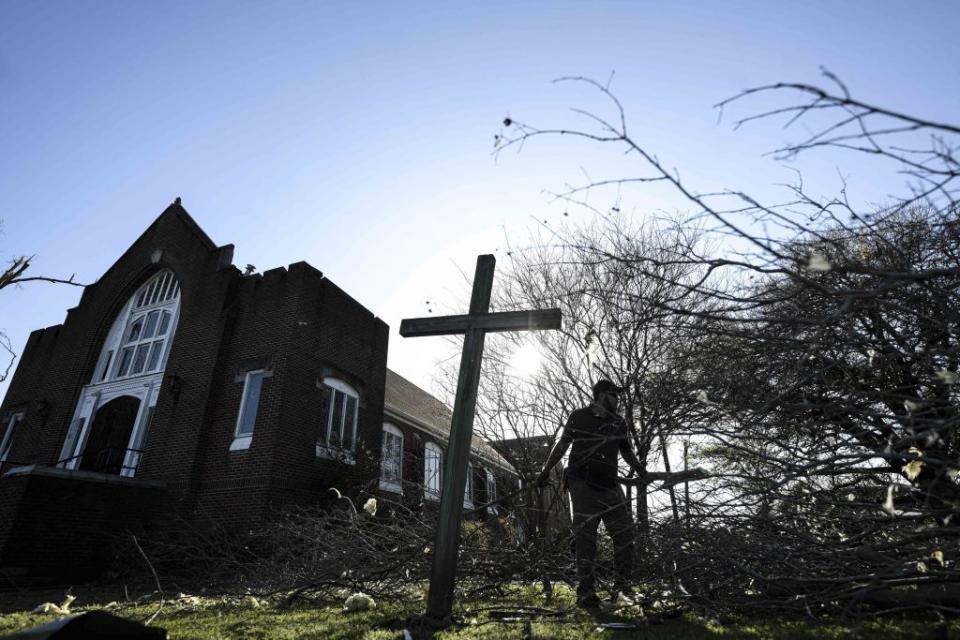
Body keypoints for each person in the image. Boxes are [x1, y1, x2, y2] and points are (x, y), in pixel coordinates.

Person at [535, 379, 646, 609]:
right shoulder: (579, 416)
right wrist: (545, 471)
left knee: (625, 536)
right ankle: (586, 593)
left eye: (618, 394)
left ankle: (622, 588)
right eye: (614, 394)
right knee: (586, 540)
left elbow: (627, 452)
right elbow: (562, 445)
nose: (617, 398)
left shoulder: (618, 423)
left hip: (610, 486)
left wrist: (642, 472)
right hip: (582, 483)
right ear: (601, 395)